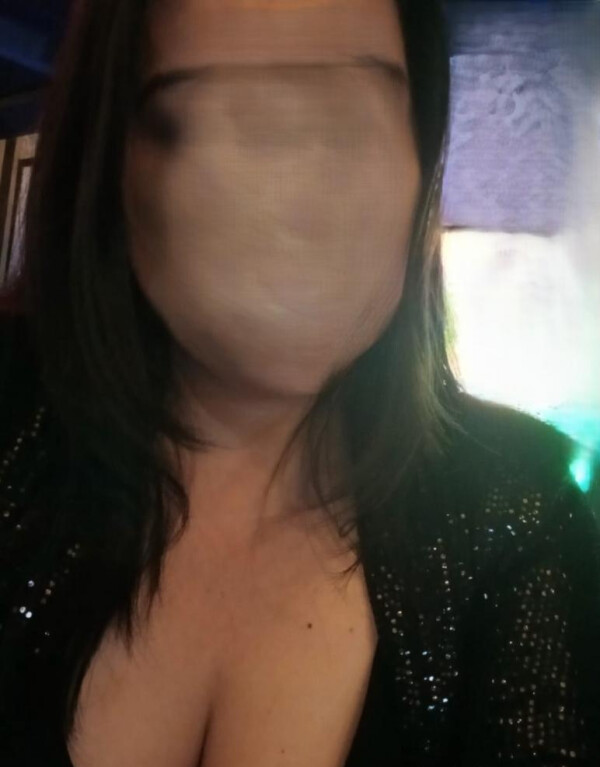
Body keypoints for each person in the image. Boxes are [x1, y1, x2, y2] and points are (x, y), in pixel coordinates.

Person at [0, 0, 599, 765]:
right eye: (222, 115)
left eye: (349, 117)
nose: (294, 197)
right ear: (113, 163)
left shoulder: (521, 519)